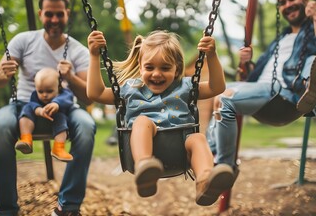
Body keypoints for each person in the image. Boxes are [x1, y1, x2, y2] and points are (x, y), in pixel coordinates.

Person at [207, 0, 316, 179]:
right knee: (217, 92)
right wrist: (247, 63)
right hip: (263, 91)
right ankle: (211, 155)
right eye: (282, 2)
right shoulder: (279, 41)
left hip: (285, 93)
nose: (288, 5)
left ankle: (224, 165)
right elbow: (254, 76)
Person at [87, 30, 235, 206]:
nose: (157, 74)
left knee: (198, 138)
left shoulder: (186, 86)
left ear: (177, 68)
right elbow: (95, 93)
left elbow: (216, 87)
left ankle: (205, 182)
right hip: (146, 150)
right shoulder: (130, 89)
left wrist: (211, 55)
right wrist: (94, 56)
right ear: (140, 67)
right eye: (149, 67)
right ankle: (145, 169)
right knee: (142, 122)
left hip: (180, 150)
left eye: (165, 68)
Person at [0, 0, 95, 216]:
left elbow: (88, 96)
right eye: (49, 14)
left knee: (86, 126)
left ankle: (68, 206)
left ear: (67, 13)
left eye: (59, 14)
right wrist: (2, 73)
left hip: (65, 109)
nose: (54, 19)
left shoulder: (78, 50)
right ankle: (6, 209)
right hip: (24, 107)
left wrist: (70, 77)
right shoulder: (23, 41)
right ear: (40, 15)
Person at [15, 68, 74, 162]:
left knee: (61, 118)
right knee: (27, 108)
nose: (44, 95)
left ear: (59, 87)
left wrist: (56, 103)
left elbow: (68, 99)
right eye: (40, 91)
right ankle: (26, 139)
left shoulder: (64, 93)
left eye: (49, 91)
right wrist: (39, 110)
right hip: (36, 121)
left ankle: (58, 148)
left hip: (56, 121)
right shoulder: (35, 94)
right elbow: (33, 104)